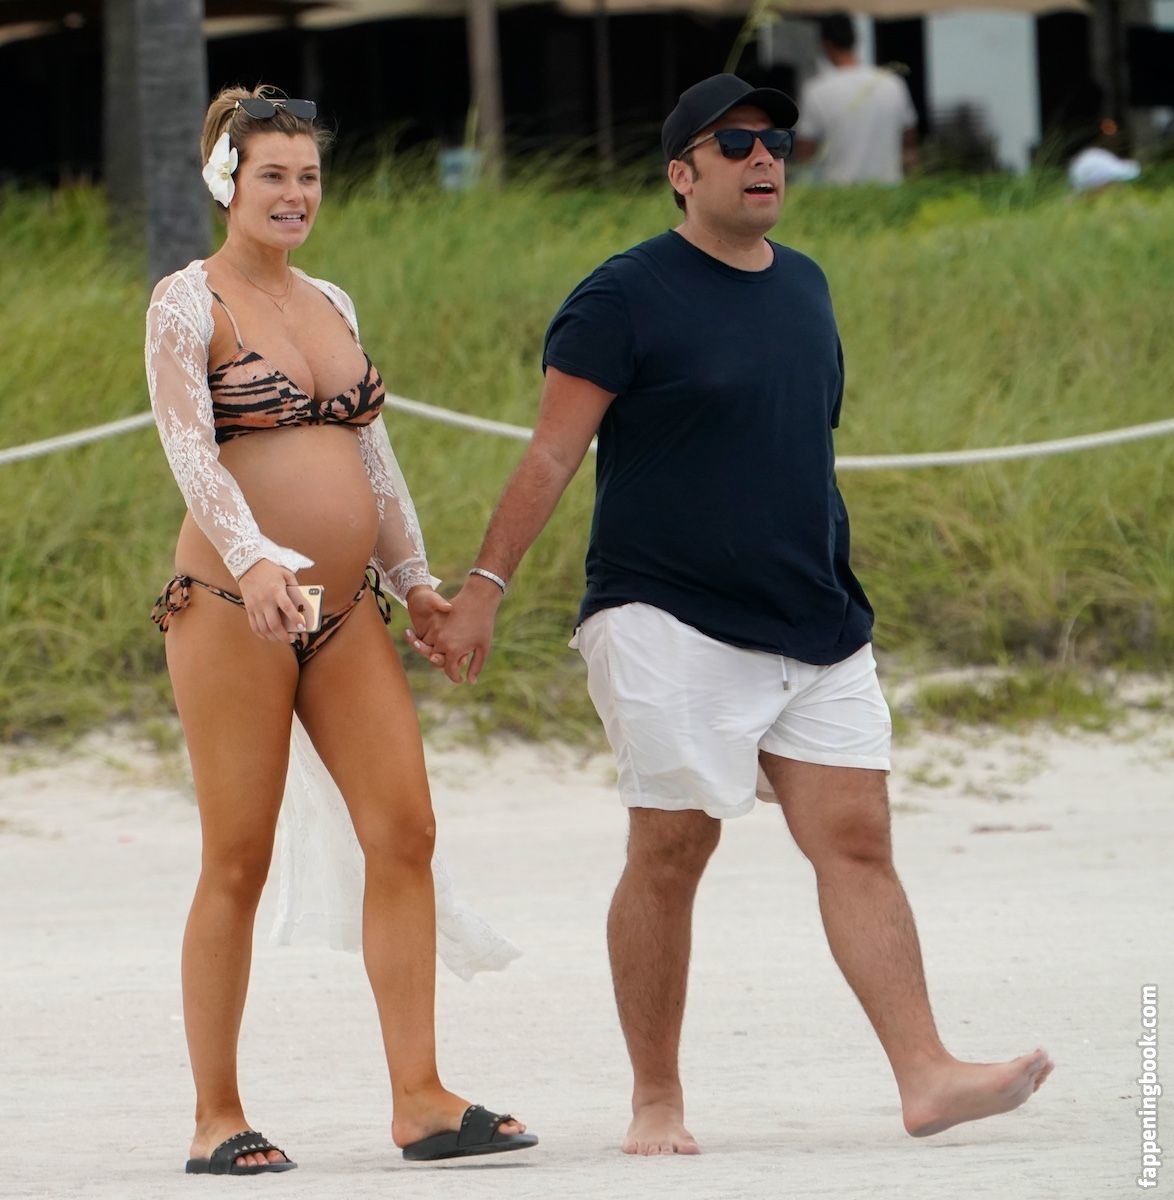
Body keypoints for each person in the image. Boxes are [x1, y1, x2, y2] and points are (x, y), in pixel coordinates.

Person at [407, 73, 1053, 1156]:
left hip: (815, 616)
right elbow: (553, 453)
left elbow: (801, 445)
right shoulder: (622, 295)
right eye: (737, 144)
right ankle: (655, 1099)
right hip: (665, 613)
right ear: (681, 172)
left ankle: (926, 1074)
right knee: (672, 848)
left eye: (778, 145)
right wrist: (483, 591)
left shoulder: (806, 285)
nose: (764, 160)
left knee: (857, 839)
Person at [145, 84, 537, 1175]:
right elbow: (189, 449)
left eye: (308, 176)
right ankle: (216, 1115)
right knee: (237, 855)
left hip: (345, 613)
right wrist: (254, 557)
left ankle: (420, 1100)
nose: (294, 194)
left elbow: (373, 454)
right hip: (231, 608)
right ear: (227, 182)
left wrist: (415, 579)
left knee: (404, 831)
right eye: (272, 175)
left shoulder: (333, 301)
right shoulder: (187, 301)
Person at [795, 14, 918, 184]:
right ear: (856, 40)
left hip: (837, 191)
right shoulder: (892, 82)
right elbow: (909, 136)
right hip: (890, 188)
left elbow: (805, 152)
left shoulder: (816, 90)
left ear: (825, 45)